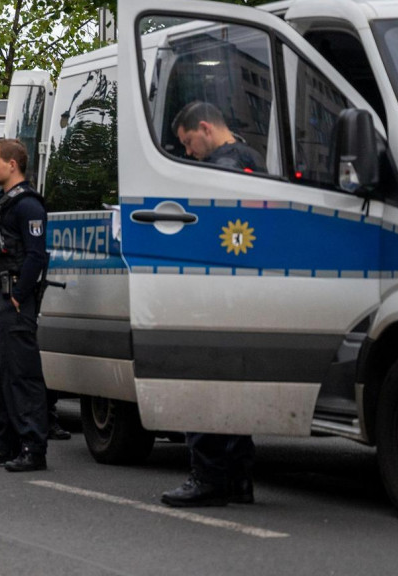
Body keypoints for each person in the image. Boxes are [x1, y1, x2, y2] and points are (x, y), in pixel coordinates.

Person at [161, 101, 261, 508]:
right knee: (233, 387)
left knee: (202, 383)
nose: (187, 153)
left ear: (204, 128)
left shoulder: (218, 169)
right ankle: (238, 479)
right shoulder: (253, 156)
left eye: (187, 143)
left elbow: (202, 228)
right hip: (246, 288)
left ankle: (208, 477)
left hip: (215, 286)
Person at [0, 139, 52, 473]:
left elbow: (35, 255)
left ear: (12, 165)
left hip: (10, 297)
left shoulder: (28, 205)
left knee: (21, 373)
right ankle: (4, 442)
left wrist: (19, 294)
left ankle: (33, 447)